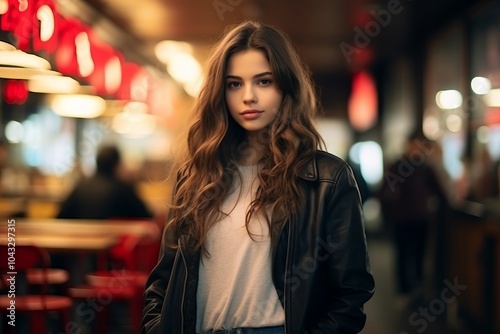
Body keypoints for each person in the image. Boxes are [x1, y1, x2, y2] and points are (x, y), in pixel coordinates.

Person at [142, 21, 375, 334]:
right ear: (220, 92)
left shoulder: (326, 180)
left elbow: (352, 291)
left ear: (286, 87)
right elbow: (164, 279)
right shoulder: (196, 175)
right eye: (234, 84)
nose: (248, 96)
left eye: (264, 82)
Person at [379, 132, 447, 299]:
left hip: (421, 218)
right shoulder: (396, 166)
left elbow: (439, 191)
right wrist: (389, 213)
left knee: (419, 254)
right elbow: (383, 192)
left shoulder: (425, 167)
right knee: (402, 255)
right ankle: (403, 290)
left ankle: (418, 287)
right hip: (402, 218)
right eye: (414, 144)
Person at [57, 145, 152, 219]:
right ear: (117, 165)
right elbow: (146, 217)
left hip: (78, 242)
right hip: (115, 243)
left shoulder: (80, 187)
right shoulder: (123, 190)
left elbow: (61, 217)